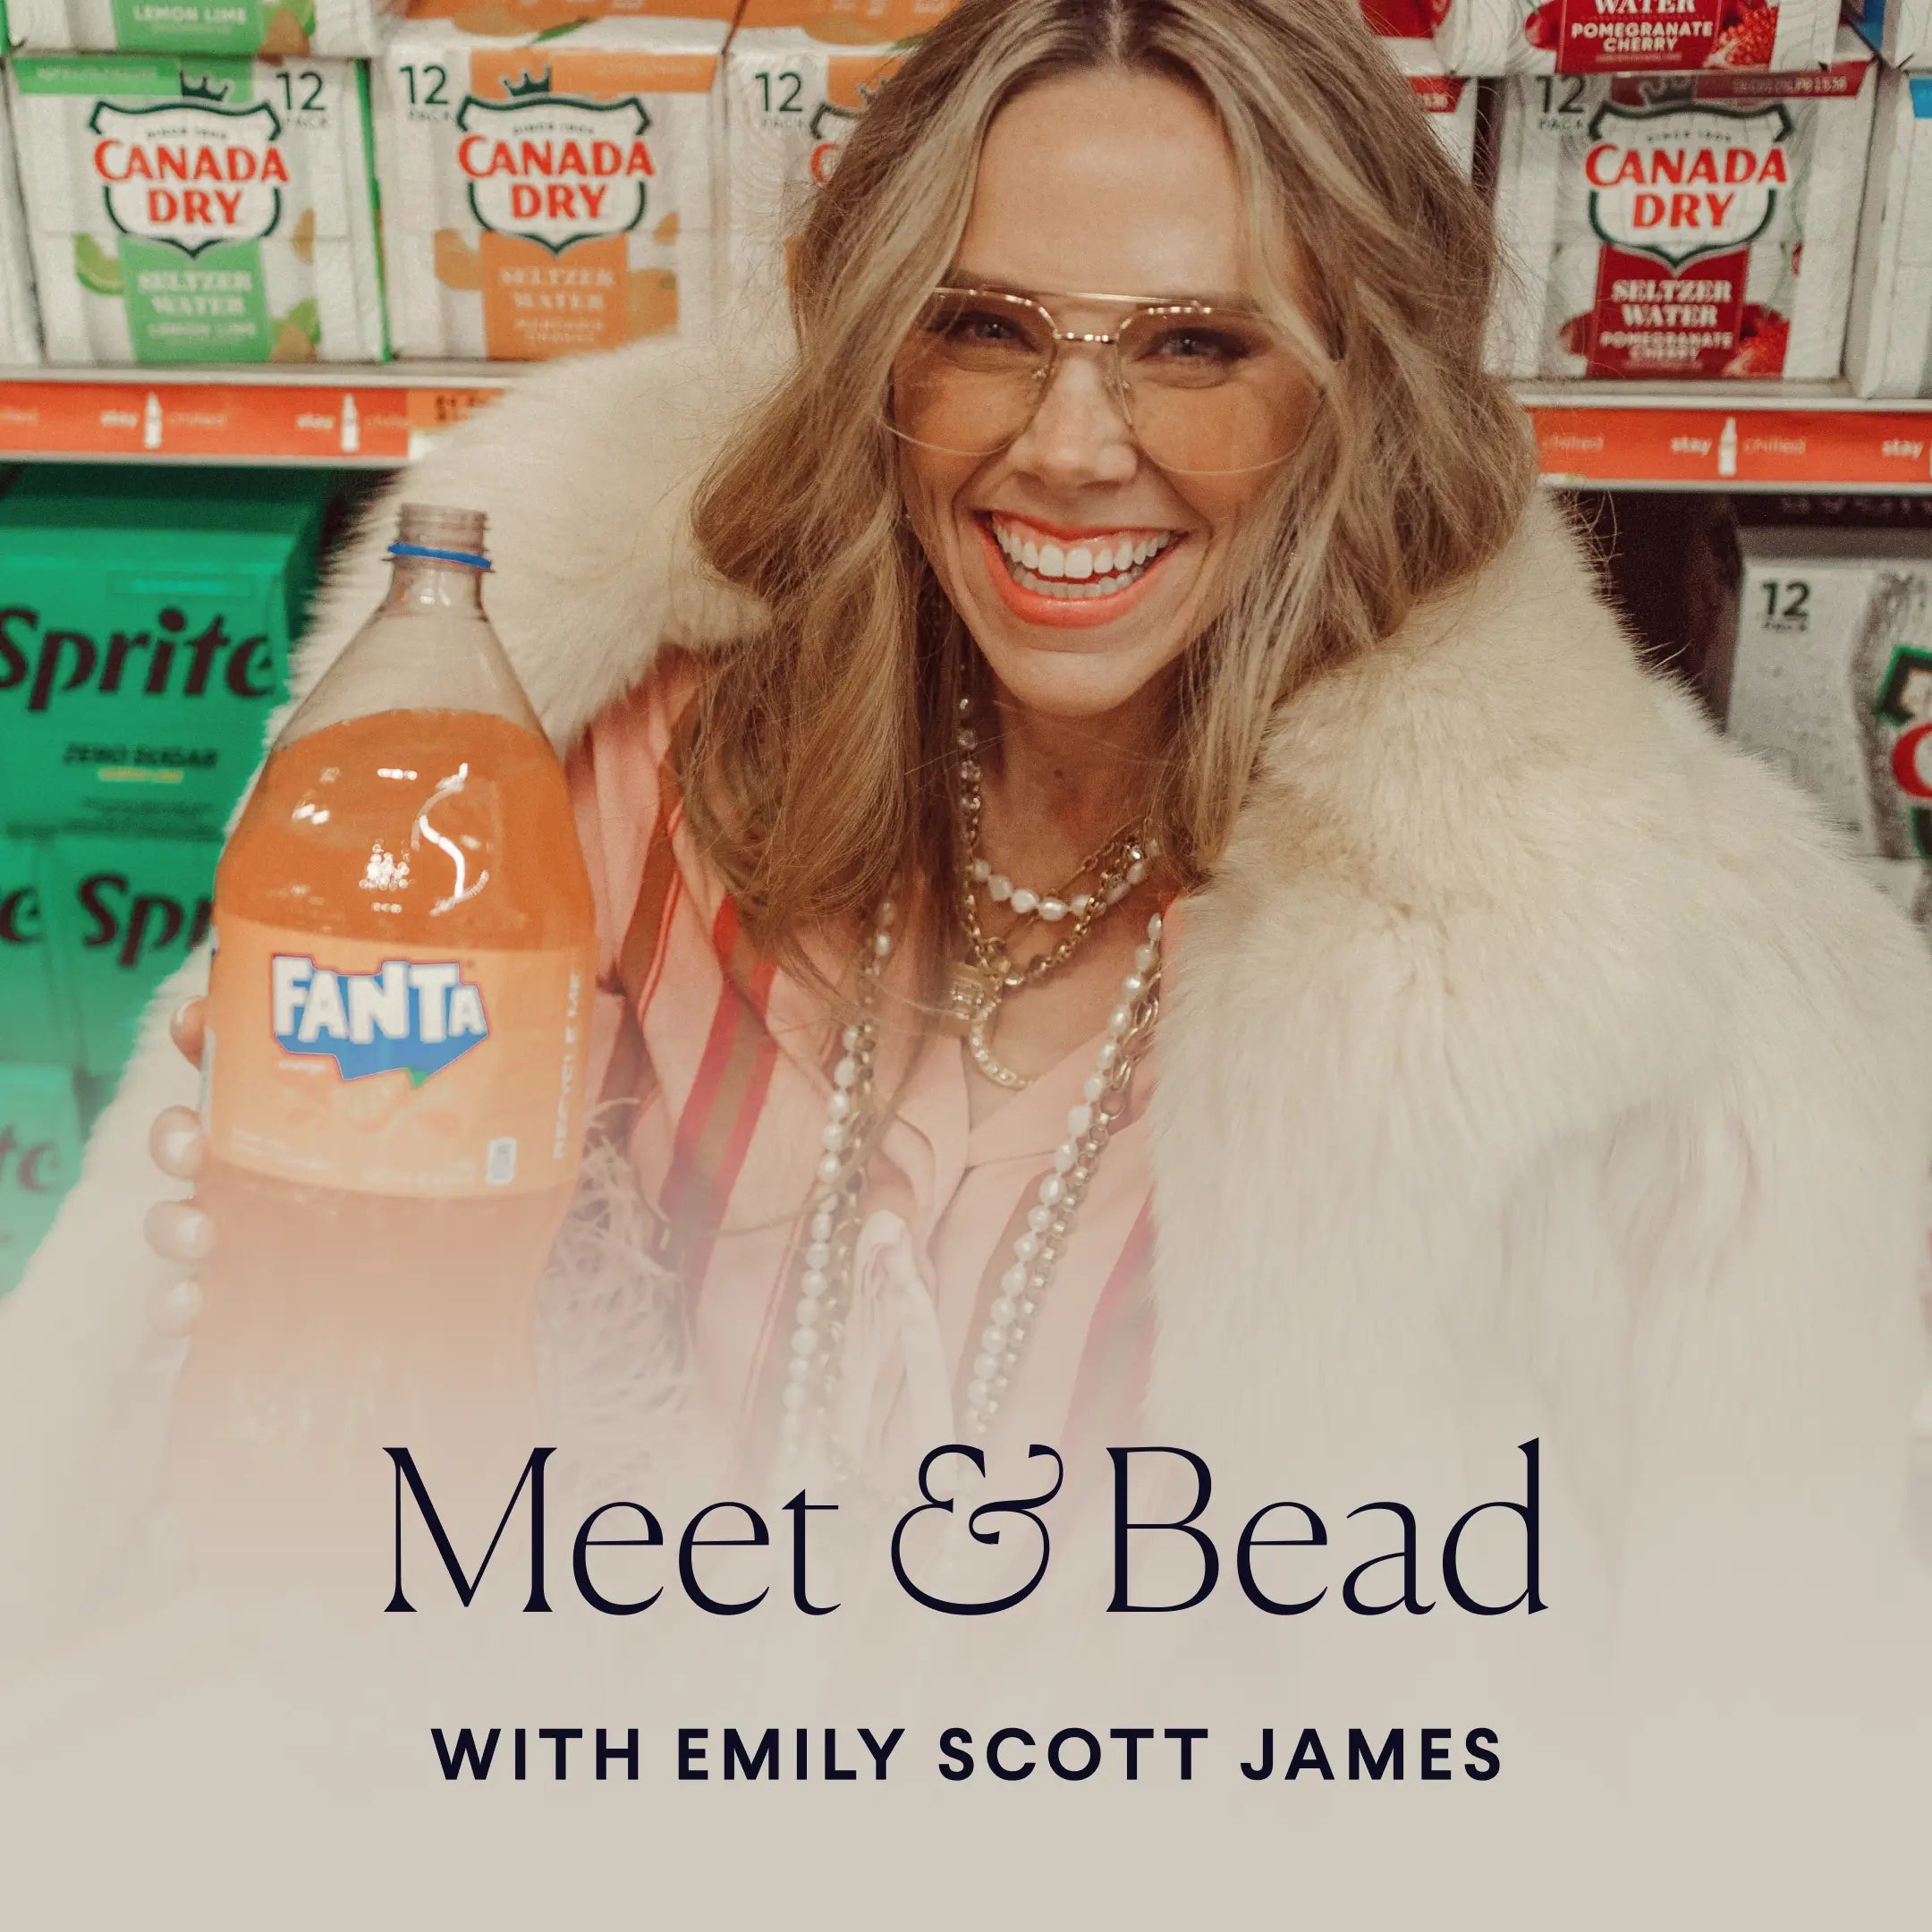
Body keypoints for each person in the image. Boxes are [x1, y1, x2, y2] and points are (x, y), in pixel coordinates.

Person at [3, 0, 1928, 1639]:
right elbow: (328, 1513)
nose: (1070, 449)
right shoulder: (594, 772)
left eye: (1195, 345)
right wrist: (345, 1293)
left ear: (1354, 393)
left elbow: (1744, 1736)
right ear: (872, 347)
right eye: (987, 326)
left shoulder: (1668, 1005)